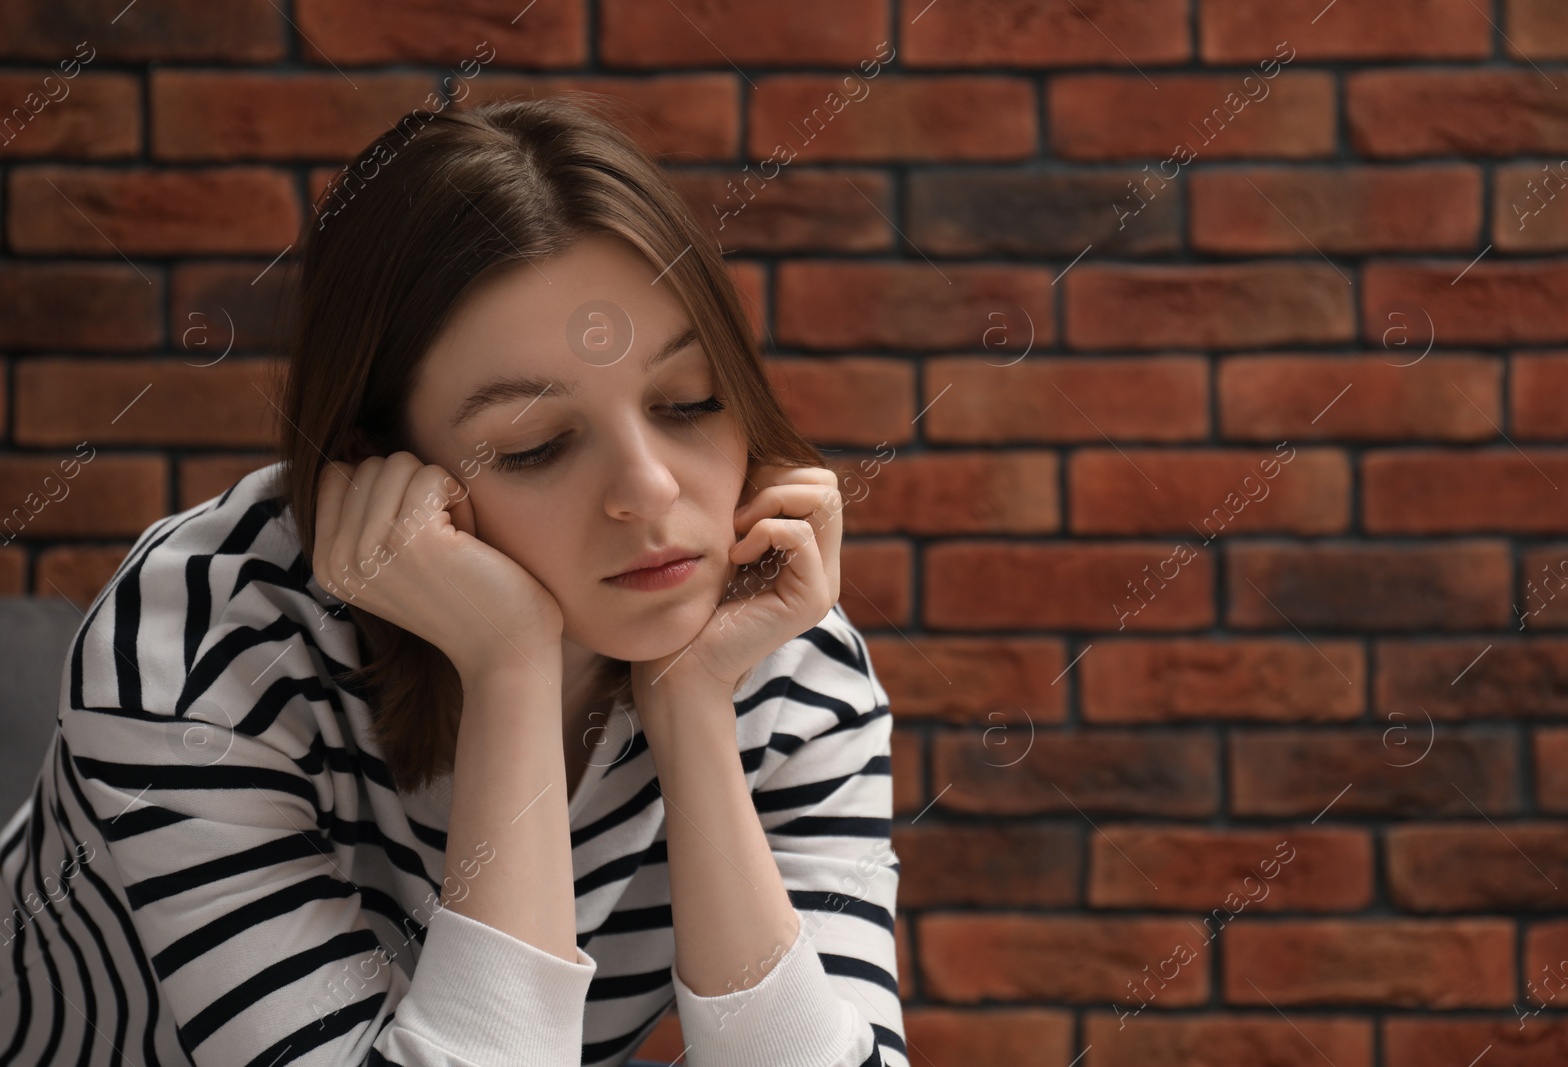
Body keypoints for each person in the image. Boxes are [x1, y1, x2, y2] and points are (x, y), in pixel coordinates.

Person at [0, 94, 906, 1066]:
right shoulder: (197, 646)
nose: (650, 491)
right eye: (537, 446)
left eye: (688, 400)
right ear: (379, 466)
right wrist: (509, 666)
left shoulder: (780, 653)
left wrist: (692, 714)